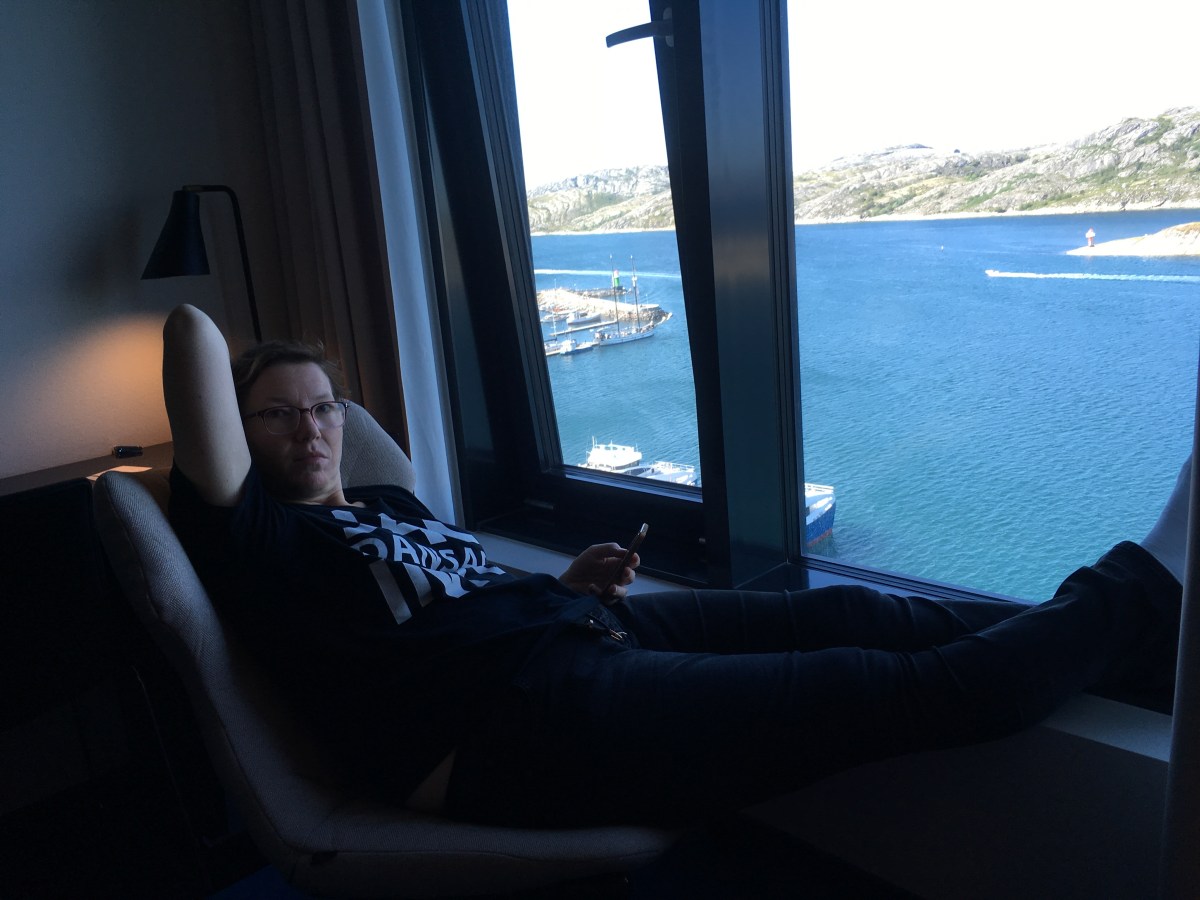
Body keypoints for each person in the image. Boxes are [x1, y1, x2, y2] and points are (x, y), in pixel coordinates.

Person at [162, 303, 1185, 828]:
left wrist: (562, 583)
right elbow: (189, 333)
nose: (312, 429)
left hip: (569, 633)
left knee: (862, 611)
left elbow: (449, 601)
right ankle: (1153, 571)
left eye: (323, 407)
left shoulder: (384, 501)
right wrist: (244, 369)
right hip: (500, 726)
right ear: (239, 436)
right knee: (893, 687)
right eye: (276, 414)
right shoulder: (257, 536)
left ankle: (1146, 650)